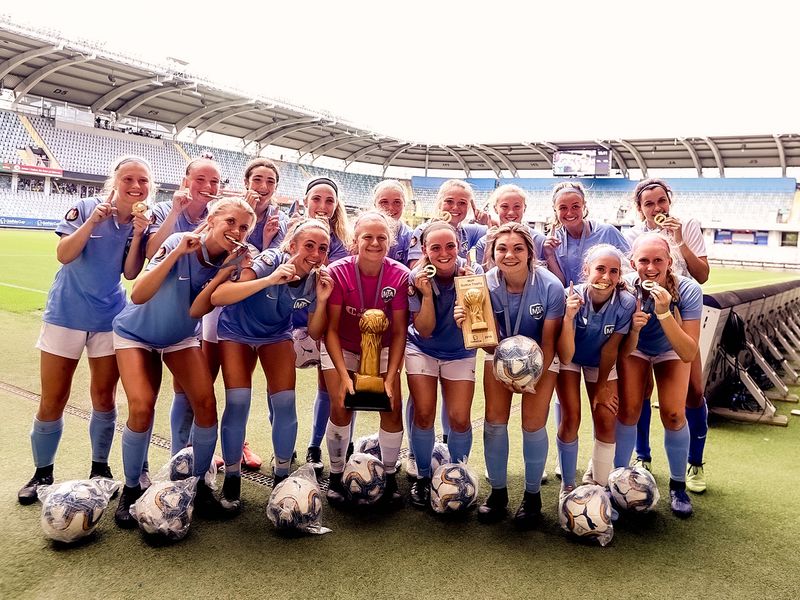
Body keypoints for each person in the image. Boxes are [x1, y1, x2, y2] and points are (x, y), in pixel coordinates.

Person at [111, 197, 255, 527]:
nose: (236, 230)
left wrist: (223, 275)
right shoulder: (179, 241)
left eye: (244, 227)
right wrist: (176, 253)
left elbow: (195, 311)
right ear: (213, 220)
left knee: (205, 404)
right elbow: (138, 294)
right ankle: (131, 489)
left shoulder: (231, 263)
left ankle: (199, 486)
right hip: (135, 334)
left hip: (179, 337)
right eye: (230, 222)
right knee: (142, 406)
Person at [17, 156, 151, 504]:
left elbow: (131, 273)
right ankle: (42, 472)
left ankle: (100, 468)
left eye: (143, 181)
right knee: (54, 398)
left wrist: (138, 235)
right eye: (129, 179)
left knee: (104, 398)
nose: (136, 187)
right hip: (65, 314)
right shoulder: (86, 207)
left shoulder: (139, 223)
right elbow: (64, 254)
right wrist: (93, 221)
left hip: (108, 318)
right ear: (115, 181)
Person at [210, 219, 333, 511]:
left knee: (285, 401)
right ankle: (232, 477)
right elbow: (219, 296)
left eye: (322, 248)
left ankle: (281, 477)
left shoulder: (316, 280)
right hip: (236, 331)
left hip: (275, 335)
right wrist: (269, 279)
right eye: (309, 245)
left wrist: (323, 301)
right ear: (292, 246)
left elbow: (315, 333)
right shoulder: (271, 260)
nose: (315, 253)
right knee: (238, 400)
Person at [470, 223, 565, 527]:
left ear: (529, 253)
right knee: (494, 423)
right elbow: (486, 345)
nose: (509, 255)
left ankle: (532, 497)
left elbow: (549, 343)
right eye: (502, 249)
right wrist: (468, 322)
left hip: (542, 359)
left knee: (533, 424)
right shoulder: (482, 285)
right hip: (498, 356)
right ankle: (498, 494)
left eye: (517, 249)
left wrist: (530, 376)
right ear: (492, 252)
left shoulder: (549, 286)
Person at [201, 158, 290, 471]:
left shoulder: (281, 220)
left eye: (270, 182)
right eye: (258, 180)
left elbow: (272, 260)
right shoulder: (232, 211)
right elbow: (229, 253)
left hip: (253, 310)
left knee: (247, 389)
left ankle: (239, 446)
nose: (263, 188)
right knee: (207, 383)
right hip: (219, 307)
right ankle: (197, 448)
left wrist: (266, 240)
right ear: (246, 183)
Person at [624, 178, 710, 494]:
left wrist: (678, 239)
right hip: (644, 321)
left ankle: (695, 463)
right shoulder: (632, 236)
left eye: (661, 201)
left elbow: (701, 275)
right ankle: (642, 458)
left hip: (681, 312)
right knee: (638, 395)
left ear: (668, 202)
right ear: (640, 208)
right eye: (649, 203)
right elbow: (628, 280)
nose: (657, 208)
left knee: (693, 393)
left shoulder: (686, 225)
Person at [322, 211, 409, 507]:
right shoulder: (338, 271)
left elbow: (398, 332)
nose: (374, 243)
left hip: (384, 347)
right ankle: (335, 475)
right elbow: (330, 330)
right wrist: (346, 377)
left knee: (392, 406)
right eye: (367, 237)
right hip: (344, 344)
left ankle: (389, 475)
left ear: (390, 241)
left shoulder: (398, 275)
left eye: (381, 237)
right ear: (355, 241)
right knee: (340, 402)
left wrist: (392, 376)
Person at [615, 232, 703, 517]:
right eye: (643, 261)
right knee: (628, 411)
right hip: (636, 348)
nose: (650, 267)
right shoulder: (625, 287)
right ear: (632, 262)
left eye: (657, 261)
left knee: (674, 414)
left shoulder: (688, 290)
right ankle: (616, 481)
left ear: (669, 263)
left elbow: (688, 352)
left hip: (671, 350)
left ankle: (678, 486)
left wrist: (665, 313)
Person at [405, 221, 481, 508]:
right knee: (424, 413)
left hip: (460, 352)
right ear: (424, 250)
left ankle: (458, 476)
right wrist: (425, 294)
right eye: (435, 247)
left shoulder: (472, 274)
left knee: (460, 417)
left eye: (450, 246)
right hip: (422, 348)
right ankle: (424, 478)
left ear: (459, 246)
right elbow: (424, 329)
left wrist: (467, 292)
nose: (444, 252)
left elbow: (478, 328)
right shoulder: (416, 278)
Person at [555, 244, 636, 499]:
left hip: (600, 361)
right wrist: (568, 318)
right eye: (600, 269)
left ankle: (599, 487)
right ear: (586, 270)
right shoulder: (570, 297)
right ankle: (567, 486)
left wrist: (601, 386)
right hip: (569, 357)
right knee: (571, 417)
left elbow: (611, 350)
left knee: (605, 416)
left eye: (614, 272)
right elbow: (566, 354)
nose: (606, 277)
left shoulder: (626, 303)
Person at [300, 177, 352, 473]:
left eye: (329, 201)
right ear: (306, 200)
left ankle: (317, 445)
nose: (322, 206)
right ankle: (282, 451)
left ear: (336, 206)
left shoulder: (344, 243)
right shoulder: (289, 232)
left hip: (326, 321)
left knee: (331, 386)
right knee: (279, 388)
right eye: (317, 199)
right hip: (290, 322)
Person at [542, 181, 630, 286]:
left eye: (575, 206)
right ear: (555, 209)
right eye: (563, 208)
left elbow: (630, 271)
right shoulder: (554, 240)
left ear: (584, 206)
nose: (569, 213)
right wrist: (549, 255)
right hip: (569, 299)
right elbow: (559, 284)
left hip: (604, 298)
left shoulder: (607, 232)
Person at [407, 179, 489, 269]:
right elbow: (414, 269)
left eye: (462, 203)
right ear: (439, 203)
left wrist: (487, 221)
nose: (455, 207)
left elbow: (499, 230)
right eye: (449, 201)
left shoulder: (467, 231)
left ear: (469, 207)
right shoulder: (423, 230)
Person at [474, 184, 546, 265]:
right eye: (505, 206)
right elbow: (483, 275)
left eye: (517, 206)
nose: (511, 212)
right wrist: (489, 246)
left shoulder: (540, 241)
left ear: (524, 208)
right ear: (495, 208)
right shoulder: (484, 242)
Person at [372, 179, 413, 265]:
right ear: (375, 204)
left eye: (397, 202)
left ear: (404, 204)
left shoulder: (410, 236)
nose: (390, 208)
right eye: (384, 202)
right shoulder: (360, 233)